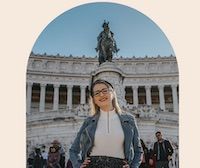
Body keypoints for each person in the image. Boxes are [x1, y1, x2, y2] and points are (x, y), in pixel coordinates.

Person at [69, 79, 143, 168]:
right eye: (97, 93)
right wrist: (78, 165)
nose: (101, 94)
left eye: (105, 91)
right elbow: (73, 150)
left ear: (112, 93)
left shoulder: (129, 120)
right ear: (94, 99)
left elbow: (138, 151)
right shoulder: (88, 121)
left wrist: (133, 167)